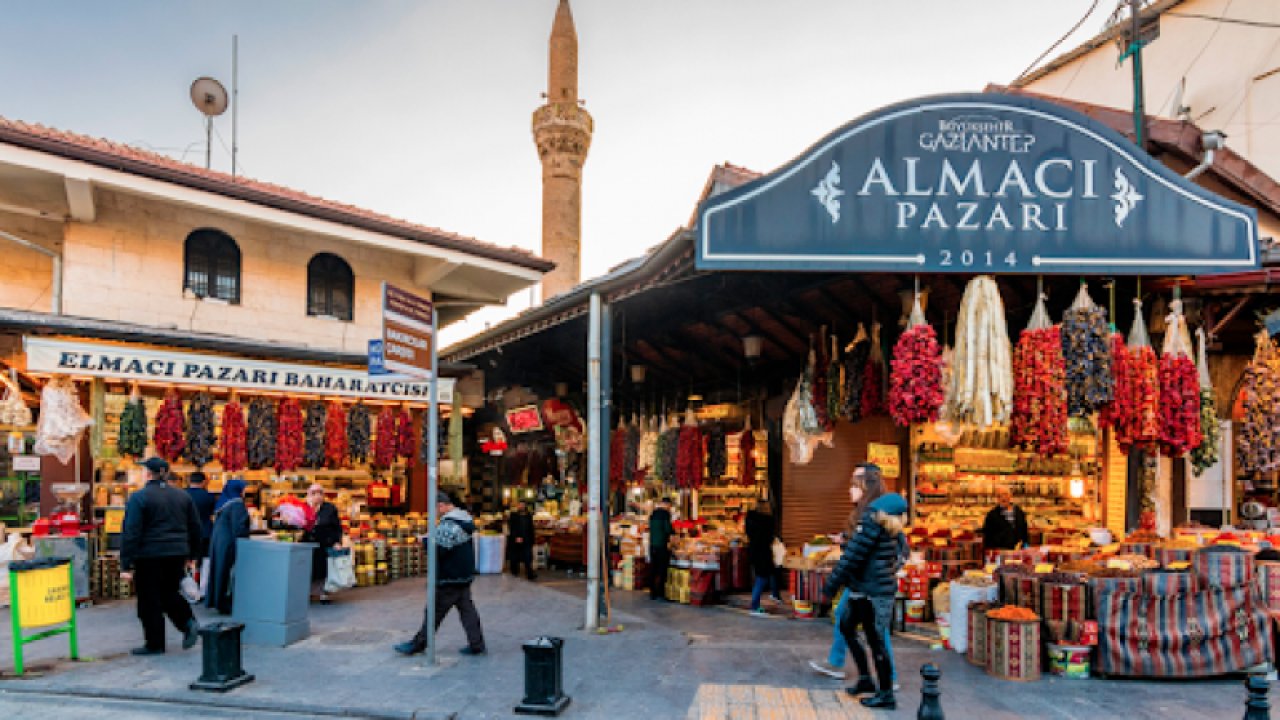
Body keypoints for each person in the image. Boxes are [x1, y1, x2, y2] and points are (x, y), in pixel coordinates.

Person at [823, 467, 909, 710]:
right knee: (847, 626)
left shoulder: (871, 519)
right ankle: (865, 678)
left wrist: (831, 585)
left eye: (854, 486)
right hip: (863, 586)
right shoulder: (875, 517)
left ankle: (886, 693)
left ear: (865, 489)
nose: (849, 490)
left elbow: (853, 556)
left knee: (875, 638)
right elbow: (867, 550)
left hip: (874, 590)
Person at [119, 457, 202, 656]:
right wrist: (193, 554)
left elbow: (131, 531)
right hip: (177, 552)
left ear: (148, 474)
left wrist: (126, 564)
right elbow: (195, 527)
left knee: (149, 600)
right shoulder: (182, 496)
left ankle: (155, 643)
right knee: (169, 592)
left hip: (149, 554)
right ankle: (187, 621)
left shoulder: (139, 497)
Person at [394, 492, 486, 656]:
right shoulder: (463, 519)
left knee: (433, 612)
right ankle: (477, 644)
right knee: (467, 611)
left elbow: (439, 549)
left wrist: (424, 541)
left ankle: (418, 644)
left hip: (450, 576)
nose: (435, 512)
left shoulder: (449, 523)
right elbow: (449, 541)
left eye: (435, 508)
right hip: (463, 575)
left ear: (442, 505)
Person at [206, 479, 250, 614]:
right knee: (226, 572)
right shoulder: (237, 504)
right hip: (228, 542)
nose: (244, 492)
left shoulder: (224, 502)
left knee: (219, 570)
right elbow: (239, 528)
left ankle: (217, 600)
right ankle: (224, 603)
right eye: (243, 489)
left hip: (219, 541)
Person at [303, 483, 343, 603]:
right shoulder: (303, 507)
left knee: (324, 569)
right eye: (314, 493)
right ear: (308, 495)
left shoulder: (330, 508)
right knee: (309, 569)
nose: (317, 495)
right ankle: (309, 593)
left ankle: (324, 594)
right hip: (307, 543)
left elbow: (337, 527)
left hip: (325, 543)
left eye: (320, 493)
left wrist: (337, 542)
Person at [744, 500, 782, 615]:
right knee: (762, 578)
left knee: (769, 573)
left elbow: (748, 534)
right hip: (763, 553)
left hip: (753, 551)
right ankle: (754, 606)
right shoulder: (768, 521)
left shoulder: (750, 519)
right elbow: (769, 538)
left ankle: (775, 595)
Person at [982, 485, 1029, 553]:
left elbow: (1025, 534)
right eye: (999, 496)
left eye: (1005, 494)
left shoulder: (1019, 512)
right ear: (997, 498)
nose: (1003, 498)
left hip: (1018, 552)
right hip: (1000, 553)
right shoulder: (992, 515)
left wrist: (1026, 548)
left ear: (1010, 495)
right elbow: (987, 538)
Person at [648, 497, 674, 600]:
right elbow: (667, 529)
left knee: (653, 568)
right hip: (662, 545)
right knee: (662, 569)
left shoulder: (653, 513)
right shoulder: (665, 514)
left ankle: (652, 592)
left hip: (652, 545)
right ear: (667, 504)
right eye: (670, 506)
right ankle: (661, 592)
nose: (670, 508)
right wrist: (674, 532)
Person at [185, 471, 216, 559]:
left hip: (186, 532)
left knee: (187, 559)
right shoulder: (209, 496)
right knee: (204, 560)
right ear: (204, 482)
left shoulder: (181, 494)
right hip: (205, 532)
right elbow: (213, 513)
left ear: (189, 481)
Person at [506, 500, 537, 581]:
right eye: (520, 505)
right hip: (517, 538)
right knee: (515, 556)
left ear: (525, 506)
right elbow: (512, 527)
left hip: (527, 539)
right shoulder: (514, 515)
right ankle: (514, 571)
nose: (521, 506)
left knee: (528, 556)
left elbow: (531, 528)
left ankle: (529, 573)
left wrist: (532, 540)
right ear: (518, 506)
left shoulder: (529, 515)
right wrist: (516, 537)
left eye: (523, 505)